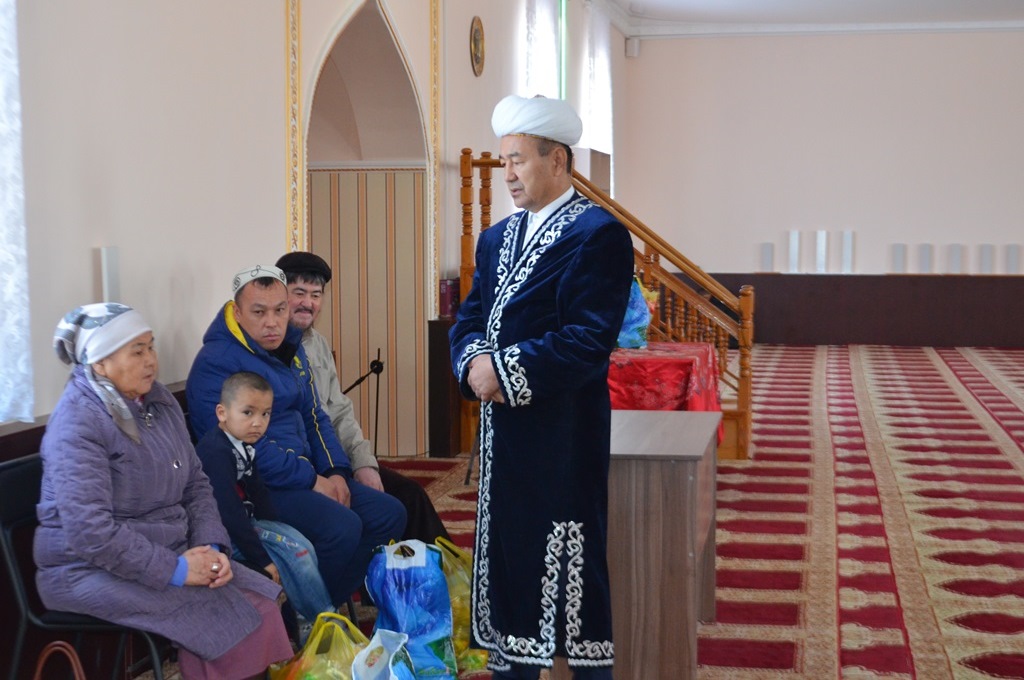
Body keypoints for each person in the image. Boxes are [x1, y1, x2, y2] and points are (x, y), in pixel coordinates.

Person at [448, 95, 634, 679]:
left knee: (567, 574)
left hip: (562, 437)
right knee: (510, 556)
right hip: (503, 437)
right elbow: (468, 320)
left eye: (518, 160)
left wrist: (502, 371)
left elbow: (588, 339)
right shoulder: (495, 238)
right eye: (503, 160)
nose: (507, 173)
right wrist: (473, 362)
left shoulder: (598, 235)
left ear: (557, 161)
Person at [35, 303, 292, 680]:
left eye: (151, 347)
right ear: (100, 363)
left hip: (170, 549)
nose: (150, 360)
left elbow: (196, 484)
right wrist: (178, 569)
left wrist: (211, 548)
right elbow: (91, 533)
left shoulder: (158, 401)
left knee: (262, 600)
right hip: (87, 568)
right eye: (136, 351)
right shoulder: (78, 421)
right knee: (231, 618)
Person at [186, 264, 406, 610]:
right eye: (259, 312)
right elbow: (245, 445)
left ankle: (313, 609)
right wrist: (311, 479)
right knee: (342, 527)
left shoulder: (290, 347)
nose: (272, 322)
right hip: (258, 486)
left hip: (304, 473)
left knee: (388, 513)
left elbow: (314, 414)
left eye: (279, 310)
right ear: (238, 313)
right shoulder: (217, 362)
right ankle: (308, 615)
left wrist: (335, 471)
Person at [275, 250, 452, 544]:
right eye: (299, 293)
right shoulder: (271, 347)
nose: (308, 303)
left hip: (335, 458)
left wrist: (363, 463)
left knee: (411, 495)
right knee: (385, 512)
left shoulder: (317, 344)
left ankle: (437, 570)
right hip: (307, 468)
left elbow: (339, 411)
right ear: (280, 294)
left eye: (316, 295)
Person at [194, 370, 335, 622]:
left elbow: (258, 493)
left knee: (303, 546)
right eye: (248, 413)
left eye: (265, 414)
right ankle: (323, 620)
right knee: (297, 554)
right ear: (222, 413)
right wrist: (262, 559)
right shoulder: (215, 451)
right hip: (219, 535)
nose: (258, 423)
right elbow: (228, 512)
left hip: (244, 525)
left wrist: (278, 530)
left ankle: (305, 619)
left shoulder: (242, 443)